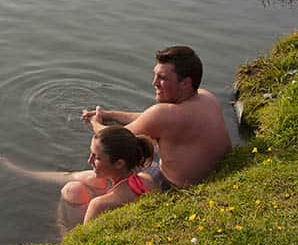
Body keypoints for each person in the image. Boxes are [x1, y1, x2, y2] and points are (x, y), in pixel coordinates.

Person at [83, 45, 231, 190]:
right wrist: (110, 114)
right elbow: (146, 119)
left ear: (185, 83)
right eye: (155, 75)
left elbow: (110, 139)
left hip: (173, 186)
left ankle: (62, 179)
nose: (154, 83)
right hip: (216, 174)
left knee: (93, 177)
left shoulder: (164, 115)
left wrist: (94, 121)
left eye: (162, 78)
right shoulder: (206, 97)